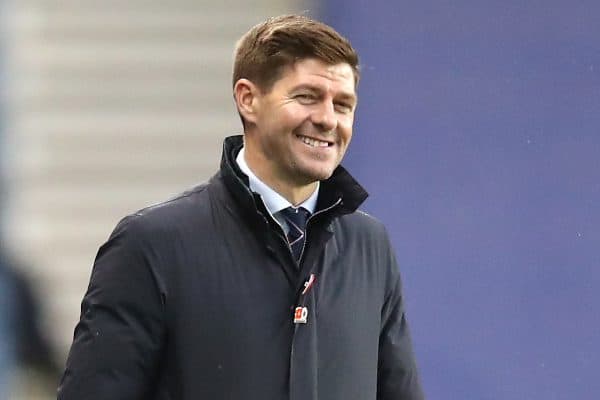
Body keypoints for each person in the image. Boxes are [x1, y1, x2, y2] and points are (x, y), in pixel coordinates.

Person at [57, 15, 424, 400]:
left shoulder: (370, 245)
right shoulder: (150, 245)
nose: (327, 119)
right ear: (248, 99)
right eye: (306, 97)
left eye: (343, 105)